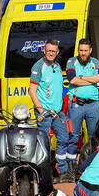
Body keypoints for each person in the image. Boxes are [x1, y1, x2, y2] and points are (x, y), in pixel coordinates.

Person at [29, 39, 72, 176]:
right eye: (48, 51)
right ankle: (44, 172)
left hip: (58, 112)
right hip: (44, 113)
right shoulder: (38, 66)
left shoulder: (57, 66)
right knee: (44, 143)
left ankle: (62, 169)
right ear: (44, 51)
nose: (51, 53)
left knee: (64, 138)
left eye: (53, 51)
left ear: (57, 52)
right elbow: (32, 91)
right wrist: (41, 110)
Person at [61, 39, 99, 181]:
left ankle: (93, 168)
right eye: (81, 50)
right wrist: (90, 80)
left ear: (90, 50)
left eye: (85, 50)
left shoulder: (95, 62)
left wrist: (82, 78)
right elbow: (72, 80)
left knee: (94, 138)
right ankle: (71, 170)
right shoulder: (71, 62)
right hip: (76, 105)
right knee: (72, 137)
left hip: (93, 105)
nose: (83, 53)